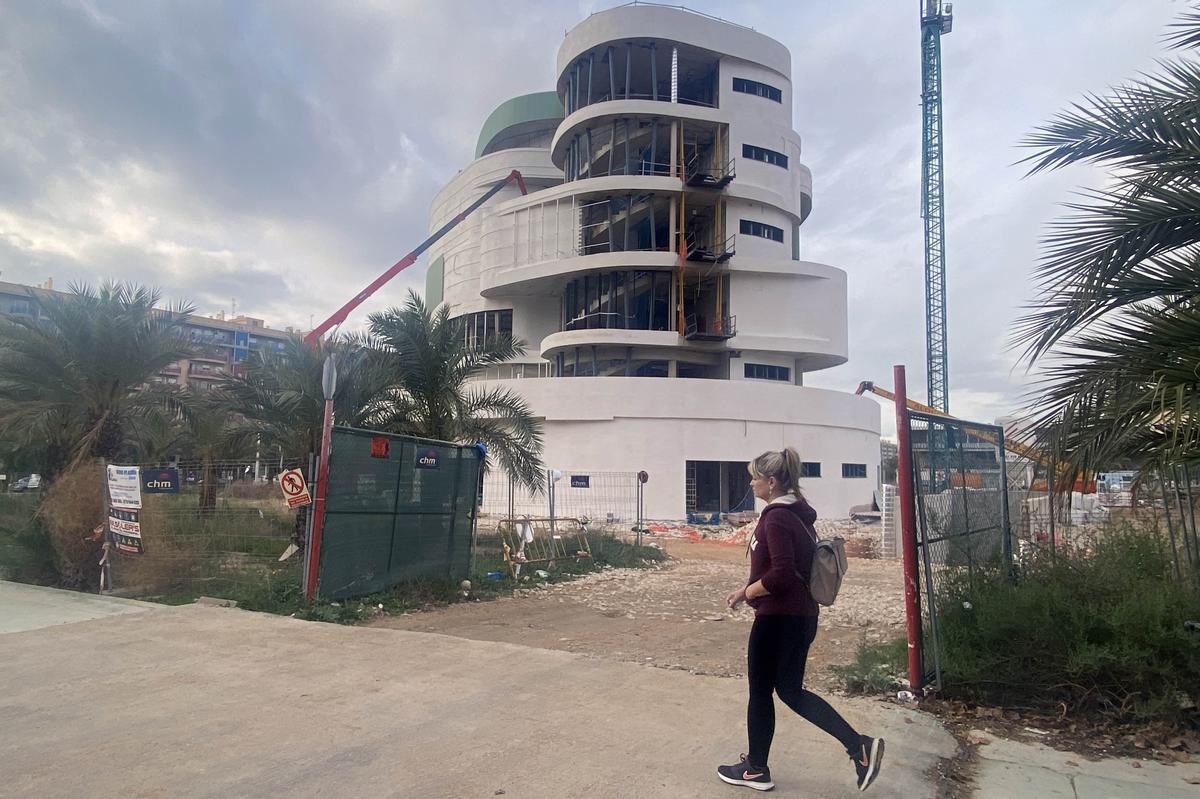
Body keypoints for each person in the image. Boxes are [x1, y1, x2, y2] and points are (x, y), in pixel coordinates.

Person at [717, 448, 885, 793]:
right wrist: (744, 590)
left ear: (772, 481)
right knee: (790, 690)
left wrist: (749, 594)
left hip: (778, 619)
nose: (751, 483)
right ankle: (859, 747)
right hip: (800, 616)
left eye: (755, 477)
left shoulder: (777, 518)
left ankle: (755, 769)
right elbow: (782, 570)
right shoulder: (798, 516)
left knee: (761, 692)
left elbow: (781, 575)